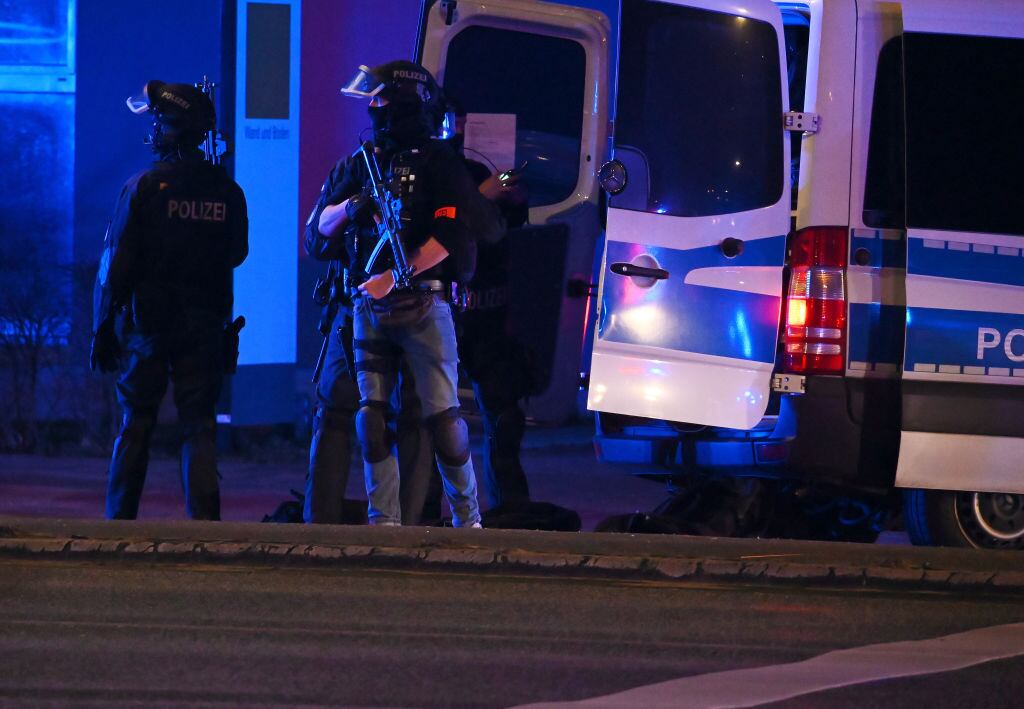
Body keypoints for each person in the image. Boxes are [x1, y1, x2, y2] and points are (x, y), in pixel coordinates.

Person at [308, 60, 495, 527]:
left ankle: (468, 520)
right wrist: (354, 207)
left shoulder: (440, 163)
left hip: (423, 305)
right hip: (365, 308)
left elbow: (453, 233)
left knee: (440, 420)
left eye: (381, 101)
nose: (373, 109)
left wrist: (396, 275)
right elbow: (315, 234)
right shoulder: (360, 165)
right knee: (369, 419)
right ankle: (383, 524)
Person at [90, 80, 248, 520]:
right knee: (198, 426)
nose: (154, 130)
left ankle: (117, 523)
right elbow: (236, 253)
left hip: (150, 327)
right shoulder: (228, 191)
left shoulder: (143, 187)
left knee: (136, 423)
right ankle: (207, 527)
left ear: (173, 128)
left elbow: (114, 265)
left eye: (159, 122)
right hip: (205, 327)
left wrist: (102, 327)